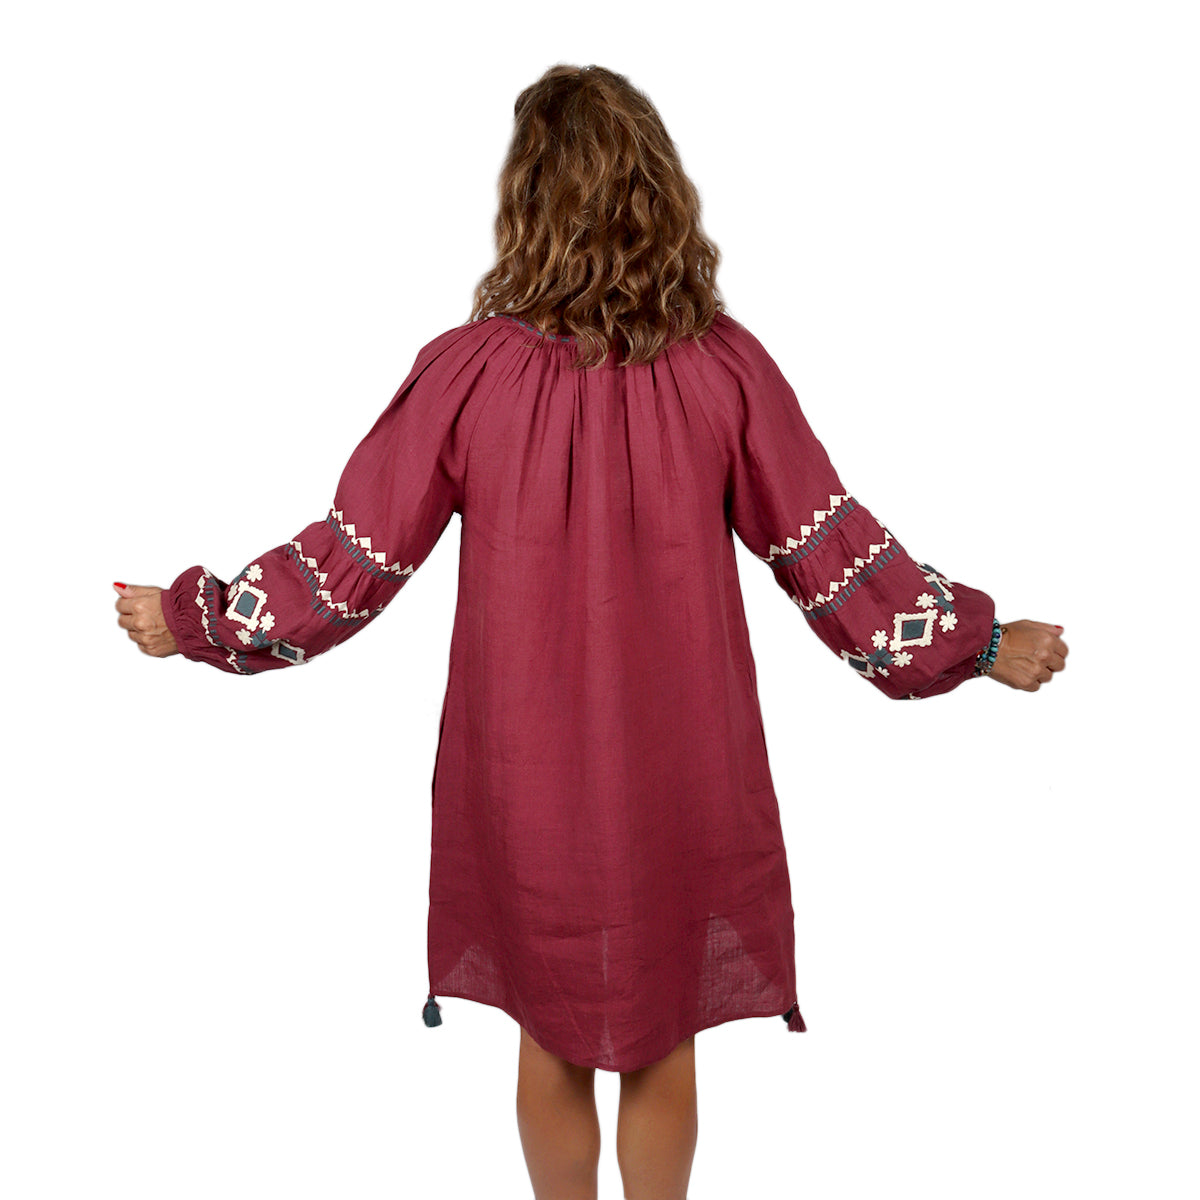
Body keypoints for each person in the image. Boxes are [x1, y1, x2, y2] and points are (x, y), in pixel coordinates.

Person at [113, 63, 1068, 1200]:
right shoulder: (723, 367)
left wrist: (197, 617)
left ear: (525, 201)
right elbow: (831, 550)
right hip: (682, 765)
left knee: (552, 1035)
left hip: (527, 773)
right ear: (658, 190)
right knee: (664, 1038)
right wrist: (979, 643)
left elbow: (349, 562)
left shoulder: (469, 374)